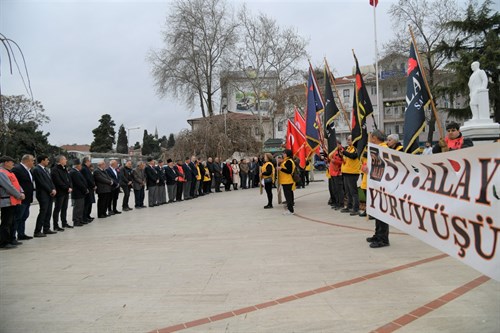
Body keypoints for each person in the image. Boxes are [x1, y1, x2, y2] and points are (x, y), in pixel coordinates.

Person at [0, 156, 25, 249]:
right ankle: (3, 242)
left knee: (12, 221)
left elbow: (17, 184)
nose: (13, 164)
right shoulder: (2, 173)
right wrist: (19, 195)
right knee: (6, 222)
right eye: (11, 162)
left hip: (14, 200)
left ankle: (11, 239)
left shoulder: (9, 172)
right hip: (7, 201)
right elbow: (8, 186)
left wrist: (21, 192)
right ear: (6, 162)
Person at [32, 155, 57, 237]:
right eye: (47, 160)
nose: (48, 161)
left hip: (49, 194)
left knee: (48, 211)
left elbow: (50, 181)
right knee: (43, 212)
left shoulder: (45, 169)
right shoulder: (37, 170)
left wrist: (53, 188)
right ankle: (37, 231)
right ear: (42, 161)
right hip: (43, 194)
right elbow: (41, 182)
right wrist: (50, 190)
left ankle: (46, 228)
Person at [12, 154, 35, 241]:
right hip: (20, 198)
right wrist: (19, 193)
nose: (33, 162)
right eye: (32, 160)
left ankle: (21, 234)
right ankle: (12, 236)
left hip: (27, 198)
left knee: (24, 216)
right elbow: (15, 184)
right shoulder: (17, 169)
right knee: (17, 217)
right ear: (27, 161)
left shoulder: (29, 170)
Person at [340, 135, 361, 216]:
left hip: (352, 172)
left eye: (349, 140)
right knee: (348, 192)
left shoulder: (356, 148)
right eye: (347, 140)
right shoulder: (348, 148)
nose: (348, 141)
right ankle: (349, 206)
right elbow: (346, 158)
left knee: (353, 192)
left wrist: (344, 152)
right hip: (346, 172)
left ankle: (356, 208)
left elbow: (353, 156)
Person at [51, 155, 72, 231]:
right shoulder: (55, 169)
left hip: (66, 191)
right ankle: (55, 225)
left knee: (64, 208)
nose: (66, 161)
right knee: (57, 209)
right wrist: (66, 188)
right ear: (60, 160)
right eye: (65, 159)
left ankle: (64, 222)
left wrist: (70, 186)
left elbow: (68, 179)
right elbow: (57, 181)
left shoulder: (64, 168)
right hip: (60, 192)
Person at [69, 159, 89, 227]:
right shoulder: (74, 172)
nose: (81, 167)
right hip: (78, 193)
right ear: (77, 165)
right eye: (80, 165)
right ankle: (76, 220)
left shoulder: (77, 171)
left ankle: (80, 219)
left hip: (81, 193)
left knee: (81, 207)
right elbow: (78, 183)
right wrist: (85, 189)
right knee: (78, 207)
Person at [278, 149, 296, 215]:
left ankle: (290, 210)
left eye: (284, 153)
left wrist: (281, 169)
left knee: (288, 196)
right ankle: (290, 209)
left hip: (287, 181)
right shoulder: (286, 161)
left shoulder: (289, 161)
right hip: (285, 180)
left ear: (287, 154)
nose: (283, 154)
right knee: (289, 195)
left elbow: (289, 171)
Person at [330, 141, 344, 210]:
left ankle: (341, 204)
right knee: (335, 189)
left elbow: (344, 162)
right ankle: (337, 203)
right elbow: (330, 157)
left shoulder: (342, 151)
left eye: (337, 144)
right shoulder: (335, 151)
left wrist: (335, 161)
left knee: (339, 190)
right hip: (332, 173)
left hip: (338, 173)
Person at [81, 157, 96, 223]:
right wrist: (93, 185)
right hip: (88, 187)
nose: (90, 162)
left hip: (90, 188)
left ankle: (87, 215)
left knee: (89, 203)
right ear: (86, 161)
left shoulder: (87, 168)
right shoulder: (84, 168)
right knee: (87, 203)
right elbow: (87, 178)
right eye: (89, 161)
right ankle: (84, 217)